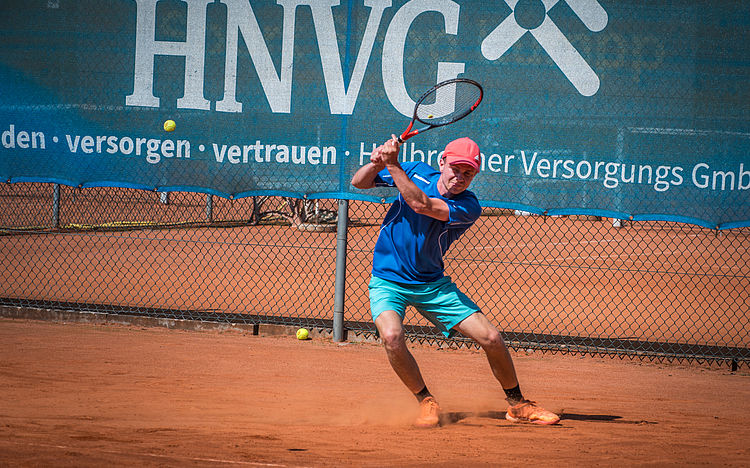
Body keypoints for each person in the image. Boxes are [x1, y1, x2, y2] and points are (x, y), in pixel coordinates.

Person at [351, 135, 560, 428]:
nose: (460, 178)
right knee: (392, 337)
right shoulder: (415, 171)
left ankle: (518, 405)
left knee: (491, 338)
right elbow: (358, 182)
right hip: (388, 280)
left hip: (432, 286)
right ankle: (426, 401)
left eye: (468, 173)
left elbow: (421, 204)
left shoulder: (468, 205)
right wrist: (376, 164)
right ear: (442, 162)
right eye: (455, 169)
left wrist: (393, 164)